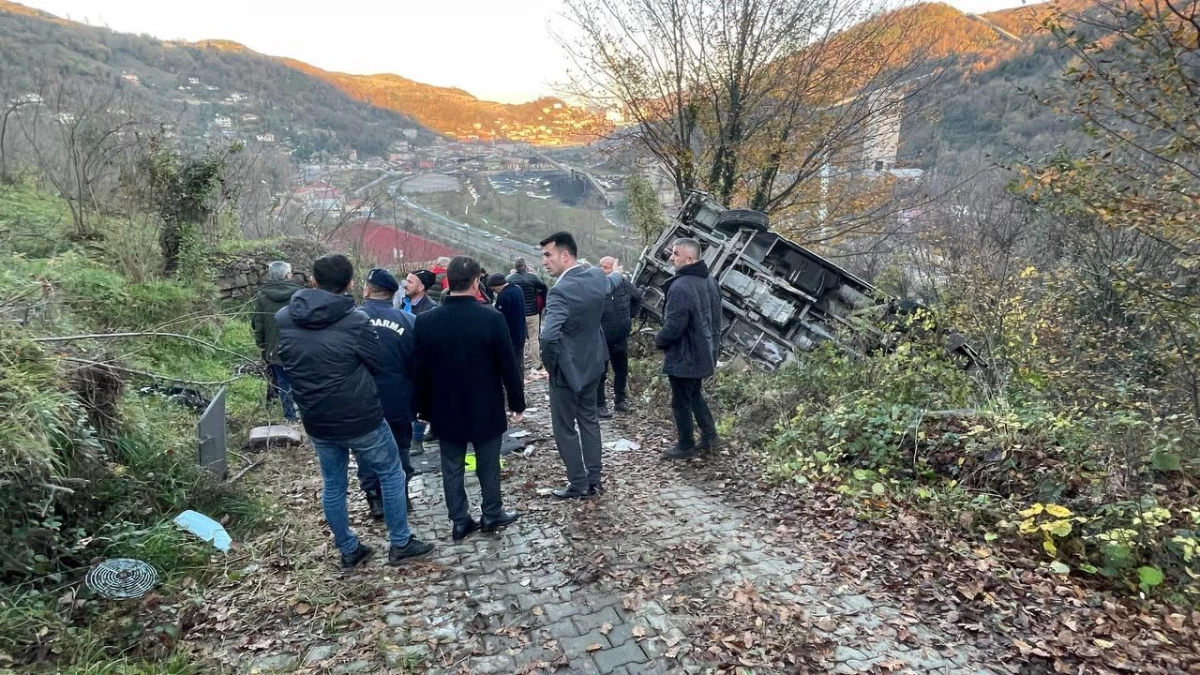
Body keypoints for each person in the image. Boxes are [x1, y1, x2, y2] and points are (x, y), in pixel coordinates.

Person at [276, 254, 434, 569]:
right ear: (349, 284)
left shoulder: (284, 318)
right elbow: (376, 362)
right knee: (391, 472)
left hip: (316, 417)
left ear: (313, 281)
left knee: (334, 483)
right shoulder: (354, 320)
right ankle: (400, 542)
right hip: (361, 415)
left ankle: (348, 548)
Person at [413, 256, 525, 541]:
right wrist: (516, 403)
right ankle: (491, 513)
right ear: (477, 282)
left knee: (452, 467)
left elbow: (420, 370)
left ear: (447, 281)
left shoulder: (426, 322)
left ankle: (460, 521)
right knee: (488, 464)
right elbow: (508, 365)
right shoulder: (491, 318)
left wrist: (423, 408)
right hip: (485, 405)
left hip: (445, 408)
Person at [539, 232, 608, 499]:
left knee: (565, 428)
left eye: (548, 255)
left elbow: (548, 336)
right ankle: (594, 478)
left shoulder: (559, 291)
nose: (545, 262)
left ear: (565, 256)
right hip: (593, 363)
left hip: (567, 371)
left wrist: (551, 366)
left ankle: (578, 483)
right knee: (590, 420)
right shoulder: (596, 277)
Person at [357, 268, 419, 520]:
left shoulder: (351, 320)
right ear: (394, 293)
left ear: (367, 289)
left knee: (366, 451)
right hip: (399, 398)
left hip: (362, 399)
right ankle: (400, 496)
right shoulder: (408, 321)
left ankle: (375, 500)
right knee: (400, 448)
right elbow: (417, 365)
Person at [655, 238, 723, 460]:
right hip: (704, 351)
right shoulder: (710, 281)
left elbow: (674, 326)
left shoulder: (681, 285)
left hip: (685, 355)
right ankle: (710, 436)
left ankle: (685, 444)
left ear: (690, 258)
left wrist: (660, 340)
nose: (672, 258)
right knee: (694, 395)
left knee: (681, 401)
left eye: (676, 254)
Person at [252, 261, 303, 422]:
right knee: (300, 380)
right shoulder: (298, 294)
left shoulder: (262, 295)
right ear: (288, 275)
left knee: (282, 382)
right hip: (297, 347)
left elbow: (258, 325)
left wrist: (262, 346)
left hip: (274, 348)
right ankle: (303, 413)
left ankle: (290, 417)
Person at [397, 268, 439, 455]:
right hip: (404, 359)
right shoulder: (402, 304)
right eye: (406, 280)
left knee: (420, 399)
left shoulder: (430, 310)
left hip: (422, 362)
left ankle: (417, 439)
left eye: (410, 281)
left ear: (421, 287)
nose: (405, 284)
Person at [597, 256, 642, 418]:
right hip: (601, 338)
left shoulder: (624, 284)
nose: (602, 270)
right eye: (600, 266)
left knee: (621, 371)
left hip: (620, 336)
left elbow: (637, 297)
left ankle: (620, 401)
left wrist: (629, 316)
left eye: (606, 267)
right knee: (600, 372)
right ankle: (600, 404)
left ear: (613, 269)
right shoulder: (598, 286)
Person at [506, 258, 548, 370]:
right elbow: (544, 287)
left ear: (515, 267)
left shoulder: (510, 279)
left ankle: (520, 363)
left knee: (518, 339)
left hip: (517, 314)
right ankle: (536, 363)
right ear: (525, 266)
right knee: (534, 339)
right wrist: (544, 304)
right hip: (533, 312)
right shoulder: (533, 278)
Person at [488, 272, 527, 365]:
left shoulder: (504, 295)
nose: (495, 292)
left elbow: (500, 317)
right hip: (521, 332)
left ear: (497, 286)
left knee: (510, 362)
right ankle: (519, 379)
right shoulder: (518, 289)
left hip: (511, 334)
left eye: (494, 290)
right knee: (519, 361)